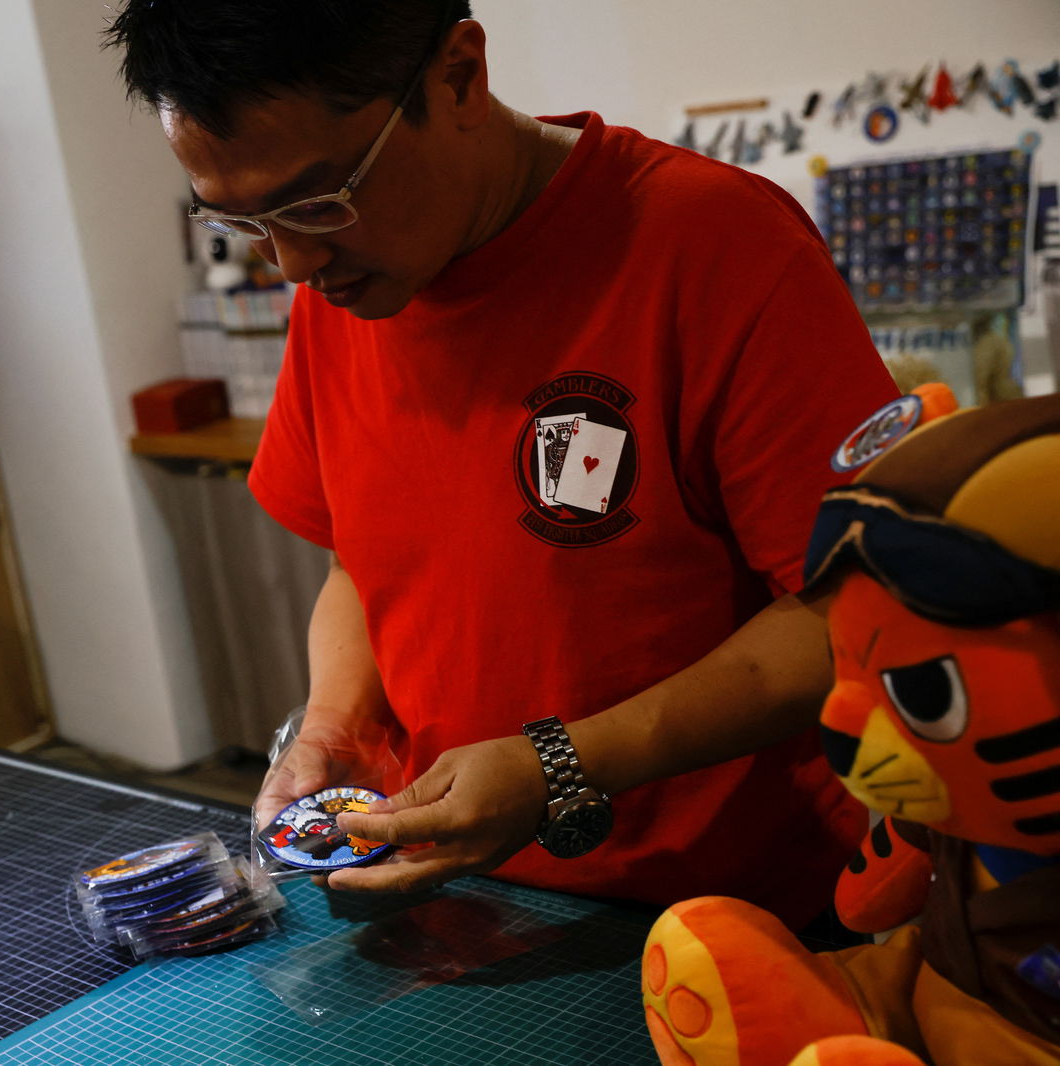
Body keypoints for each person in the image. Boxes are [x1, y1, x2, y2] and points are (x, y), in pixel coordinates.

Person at [105, 0, 900, 928]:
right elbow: (364, 562)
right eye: (241, 221)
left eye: (317, 199)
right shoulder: (347, 280)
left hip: (732, 912)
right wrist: (334, 723)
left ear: (458, 77)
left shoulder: (717, 245)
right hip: (464, 893)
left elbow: (853, 611)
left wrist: (558, 764)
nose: (289, 262)